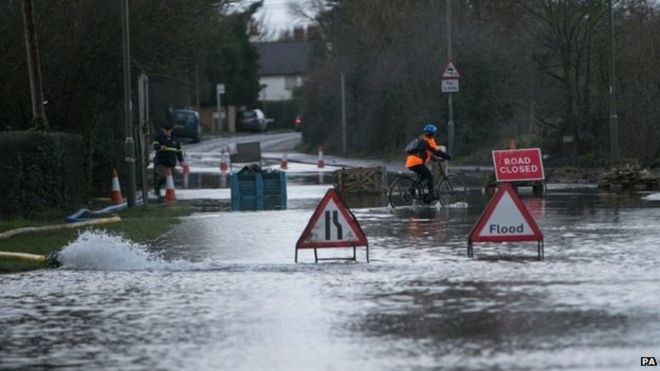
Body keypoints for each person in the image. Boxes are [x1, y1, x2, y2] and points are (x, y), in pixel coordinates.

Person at [405, 123, 451, 201]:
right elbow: (436, 151)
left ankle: (414, 192)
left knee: (422, 177)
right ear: (432, 133)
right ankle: (431, 194)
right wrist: (447, 156)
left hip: (410, 161)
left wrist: (436, 159)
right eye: (434, 133)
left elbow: (428, 152)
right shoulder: (429, 141)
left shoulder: (422, 139)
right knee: (430, 176)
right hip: (417, 162)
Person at [152, 122, 185, 199]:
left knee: (170, 178)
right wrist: (160, 147)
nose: (167, 132)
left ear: (171, 130)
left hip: (171, 163)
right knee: (164, 176)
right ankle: (157, 189)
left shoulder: (175, 140)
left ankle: (169, 193)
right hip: (161, 162)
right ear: (162, 130)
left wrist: (181, 161)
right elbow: (155, 145)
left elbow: (179, 151)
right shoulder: (159, 137)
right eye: (165, 130)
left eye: (169, 130)